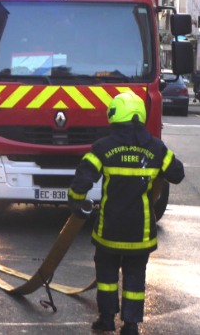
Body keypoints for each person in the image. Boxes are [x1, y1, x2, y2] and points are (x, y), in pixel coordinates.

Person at [68, 91, 184, 335]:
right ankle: (130, 325)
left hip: (109, 231)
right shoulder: (155, 148)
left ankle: (107, 319)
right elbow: (177, 174)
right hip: (140, 234)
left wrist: (77, 203)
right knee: (134, 278)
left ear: (114, 115)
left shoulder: (103, 147)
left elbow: (83, 177)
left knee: (107, 274)